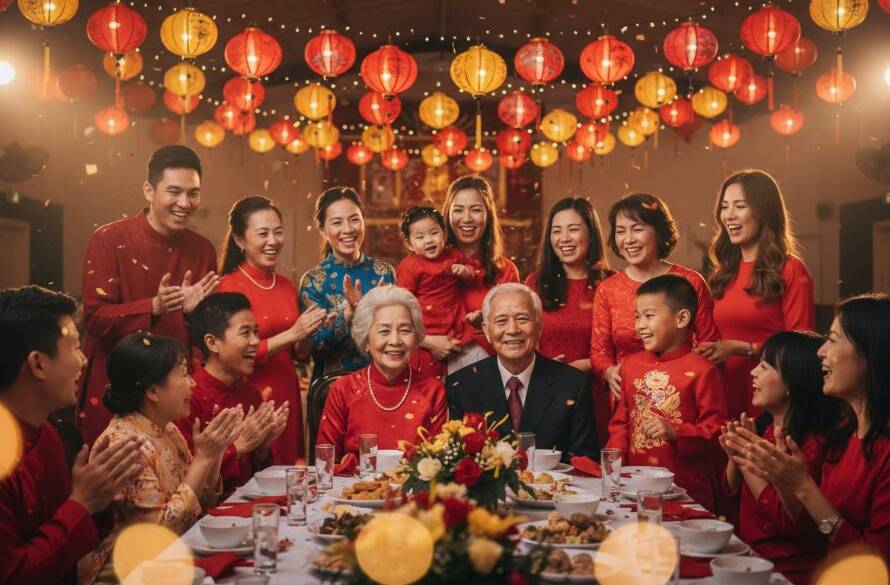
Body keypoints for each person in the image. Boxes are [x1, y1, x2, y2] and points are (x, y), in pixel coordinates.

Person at [728, 294, 890, 559]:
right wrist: (786, 483)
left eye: (834, 339)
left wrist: (803, 487)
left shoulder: (881, 451)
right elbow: (814, 538)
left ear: (870, 355)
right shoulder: (843, 437)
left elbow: (874, 561)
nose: (821, 351)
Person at [0, 286, 143, 585]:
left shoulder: (47, 433)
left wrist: (101, 498)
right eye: (76, 347)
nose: (84, 361)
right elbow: (13, 575)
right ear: (38, 364)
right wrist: (82, 503)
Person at [79, 145, 219, 446]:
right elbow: (94, 319)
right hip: (115, 389)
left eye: (193, 193)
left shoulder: (202, 249)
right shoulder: (108, 239)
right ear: (148, 190)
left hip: (172, 394)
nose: (185, 202)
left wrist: (196, 315)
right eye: (174, 191)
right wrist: (152, 307)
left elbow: (204, 335)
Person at [79, 332, 242, 585]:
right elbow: (160, 533)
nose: (193, 384)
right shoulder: (125, 444)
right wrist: (202, 460)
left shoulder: (167, 428)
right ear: (153, 391)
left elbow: (203, 505)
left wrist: (214, 455)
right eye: (184, 374)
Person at [719, 331, 841, 585]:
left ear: (792, 383)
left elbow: (788, 524)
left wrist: (746, 458)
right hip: (748, 560)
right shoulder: (762, 428)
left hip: (785, 573)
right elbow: (731, 495)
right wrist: (735, 457)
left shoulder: (810, 445)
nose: (753, 373)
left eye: (764, 366)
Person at [699, 170, 815, 419]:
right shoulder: (724, 273)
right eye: (724, 207)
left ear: (764, 211)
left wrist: (744, 348)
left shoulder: (791, 270)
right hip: (724, 391)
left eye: (740, 206)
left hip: (770, 395)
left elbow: (801, 348)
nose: (729, 215)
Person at [217, 196, 325, 464]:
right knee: (253, 478)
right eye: (263, 233)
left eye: (278, 232)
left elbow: (299, 354)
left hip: (286, 393)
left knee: (289, 475)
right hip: (249, 394)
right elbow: (233, 354)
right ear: (240, 240)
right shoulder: (229, 286)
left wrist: (310, 330)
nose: (273, 241)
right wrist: (293, 333)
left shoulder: (287, 285)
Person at [606, 274, 727, 511]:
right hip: (634, 487)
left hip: (685, 488)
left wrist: (676, 432)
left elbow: (718, 433)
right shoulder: (631, 365)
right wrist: (613, 470)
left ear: (682, 318)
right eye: (637, 317)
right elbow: (621, 424)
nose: (640, 325)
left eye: (649, 316)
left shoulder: (704, 371)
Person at [590, 193, 720, 408]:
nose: (628, 239)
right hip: (628, 397)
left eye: (637, 229)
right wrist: (608, 371)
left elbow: (709, 345)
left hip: (680, 395)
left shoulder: (689, 282)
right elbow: (599, 352)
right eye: (621, 231)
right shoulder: (608, 289)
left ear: (659, 232)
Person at [447, 283, 598, 461]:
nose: (512, 330)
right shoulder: (462, 385)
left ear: (539, 326)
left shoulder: (573, 384)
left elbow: (586, 461)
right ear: (486, 331)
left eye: (522, 319)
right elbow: (458, 460)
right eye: (501, 321)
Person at [315, 286, 448, 463]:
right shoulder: (344, 389)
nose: (395, 341)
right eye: (384, 331)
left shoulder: (433, 390)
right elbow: (326, 465)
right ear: (366, 340)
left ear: (416, 339)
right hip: (352, 489)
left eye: (405, 330)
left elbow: (439, 466)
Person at [177, 293, 289, 497]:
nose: (256, 341)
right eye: (245, 333)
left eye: (256, 332)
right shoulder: (187, 397)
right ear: (212, 343)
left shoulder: (250, 394)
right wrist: (238, 447)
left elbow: (257, 477)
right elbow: (183, 478)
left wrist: (262, 448)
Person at [525, 197, 613, 445]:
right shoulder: (535, 283)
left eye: (573, 229)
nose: (564, 238)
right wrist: (541, 363)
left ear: (591, 233)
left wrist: (590, 364)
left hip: (598, 395)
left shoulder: (611, 284)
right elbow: (522, 338)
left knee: (592, 469)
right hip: (546, 392)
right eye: (556, 230)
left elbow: (628, 345)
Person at [299, 187, 396, 384]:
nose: (348, 229)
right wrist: (347, 315)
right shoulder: (313, 280)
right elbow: (310, 349)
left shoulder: (383, 272)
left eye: (354, 219)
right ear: (322, 229)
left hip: (383, 382)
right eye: (336, 222)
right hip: (333, 386)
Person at [440, 176, 520, 369]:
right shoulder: (430, 265)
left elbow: (515, 331)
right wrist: (427, 341)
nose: (466, 219)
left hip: (491, 371)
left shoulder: (505, 270)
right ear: (447, 215)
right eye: (458, 210)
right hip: (431, 371)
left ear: (488, 215)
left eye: (475, 210)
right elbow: (405, 323)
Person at [396, 206, 478, 380]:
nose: (429, 240)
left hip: (456, 327)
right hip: (427, 333)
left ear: (445, 234)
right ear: (409, 244)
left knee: (463, 378)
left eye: (434, 233)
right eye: (420, 237)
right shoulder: (409, 267)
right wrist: (424, 339)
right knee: (429, 381)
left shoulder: (454, 256)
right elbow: (402, 304)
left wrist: (465, 272)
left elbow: (472, 276)